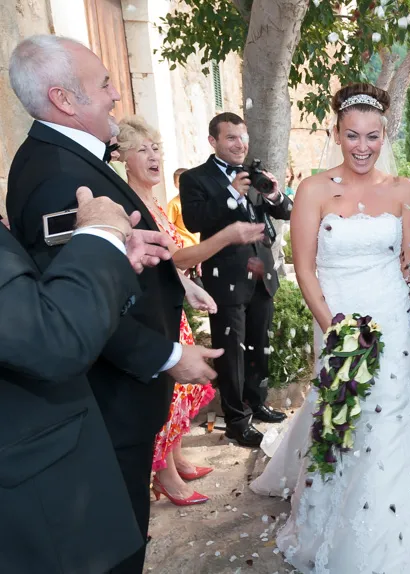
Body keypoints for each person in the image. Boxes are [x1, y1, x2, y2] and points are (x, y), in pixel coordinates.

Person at [4, 35, 221, 574]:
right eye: (103, 85)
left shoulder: (68, 157)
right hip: (111, 400)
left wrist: (176, 282)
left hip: (119, 399)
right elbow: (65, 306)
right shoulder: (57, 177)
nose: (116, 94)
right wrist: (168, 357)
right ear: (64, 99)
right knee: (116, 544)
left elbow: (115, 260)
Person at [250, 83, 410, 573]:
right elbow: (304, 268)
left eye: (372, 136)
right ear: (337, 134)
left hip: (392, 314)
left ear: (384, 135)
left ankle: (407, 534)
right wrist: (337, 331)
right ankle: (334, 522)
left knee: (393, 414)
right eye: (352, 136)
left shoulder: (404, 189)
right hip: (338, 316)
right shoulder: (313, 190)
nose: (362, 146)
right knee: (343, 416)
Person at [0, 187, 175, 573]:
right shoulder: (50, 170)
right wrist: (99, 234)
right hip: (30, 504)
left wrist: (107, 259)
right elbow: (51, 338)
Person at [117, 115, 266, 505]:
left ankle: (176, 458)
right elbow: (177, 254)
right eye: (142, 149)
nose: (154, 157)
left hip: (172, 304)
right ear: (121, 157)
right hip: (150, 312)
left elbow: (169, 261)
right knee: (167, 389)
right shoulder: (125, 205)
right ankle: (165, 476)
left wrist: (188, 286)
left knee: (180, 392)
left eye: (157, 148)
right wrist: (225, 238)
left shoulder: (151, 200)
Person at [180, 112, 294, 448]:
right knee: (231, 353)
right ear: (213, 141)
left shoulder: (254, 175)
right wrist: (230, 193)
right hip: (225, 278)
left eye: (243, 137)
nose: (240, 144)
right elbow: (194, 218)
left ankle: (256, 402)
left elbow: (284, 210)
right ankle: (235, 421)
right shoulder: (195, 179)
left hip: (263, 277)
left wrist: (273, 194)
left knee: (260, 345)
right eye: (231, 138)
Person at [167, 168, 199, 248]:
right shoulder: (173, 204)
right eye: (180, 182)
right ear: (175, 184)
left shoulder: (198, 201)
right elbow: (169, 227)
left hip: (199, 243)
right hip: (185, 246)